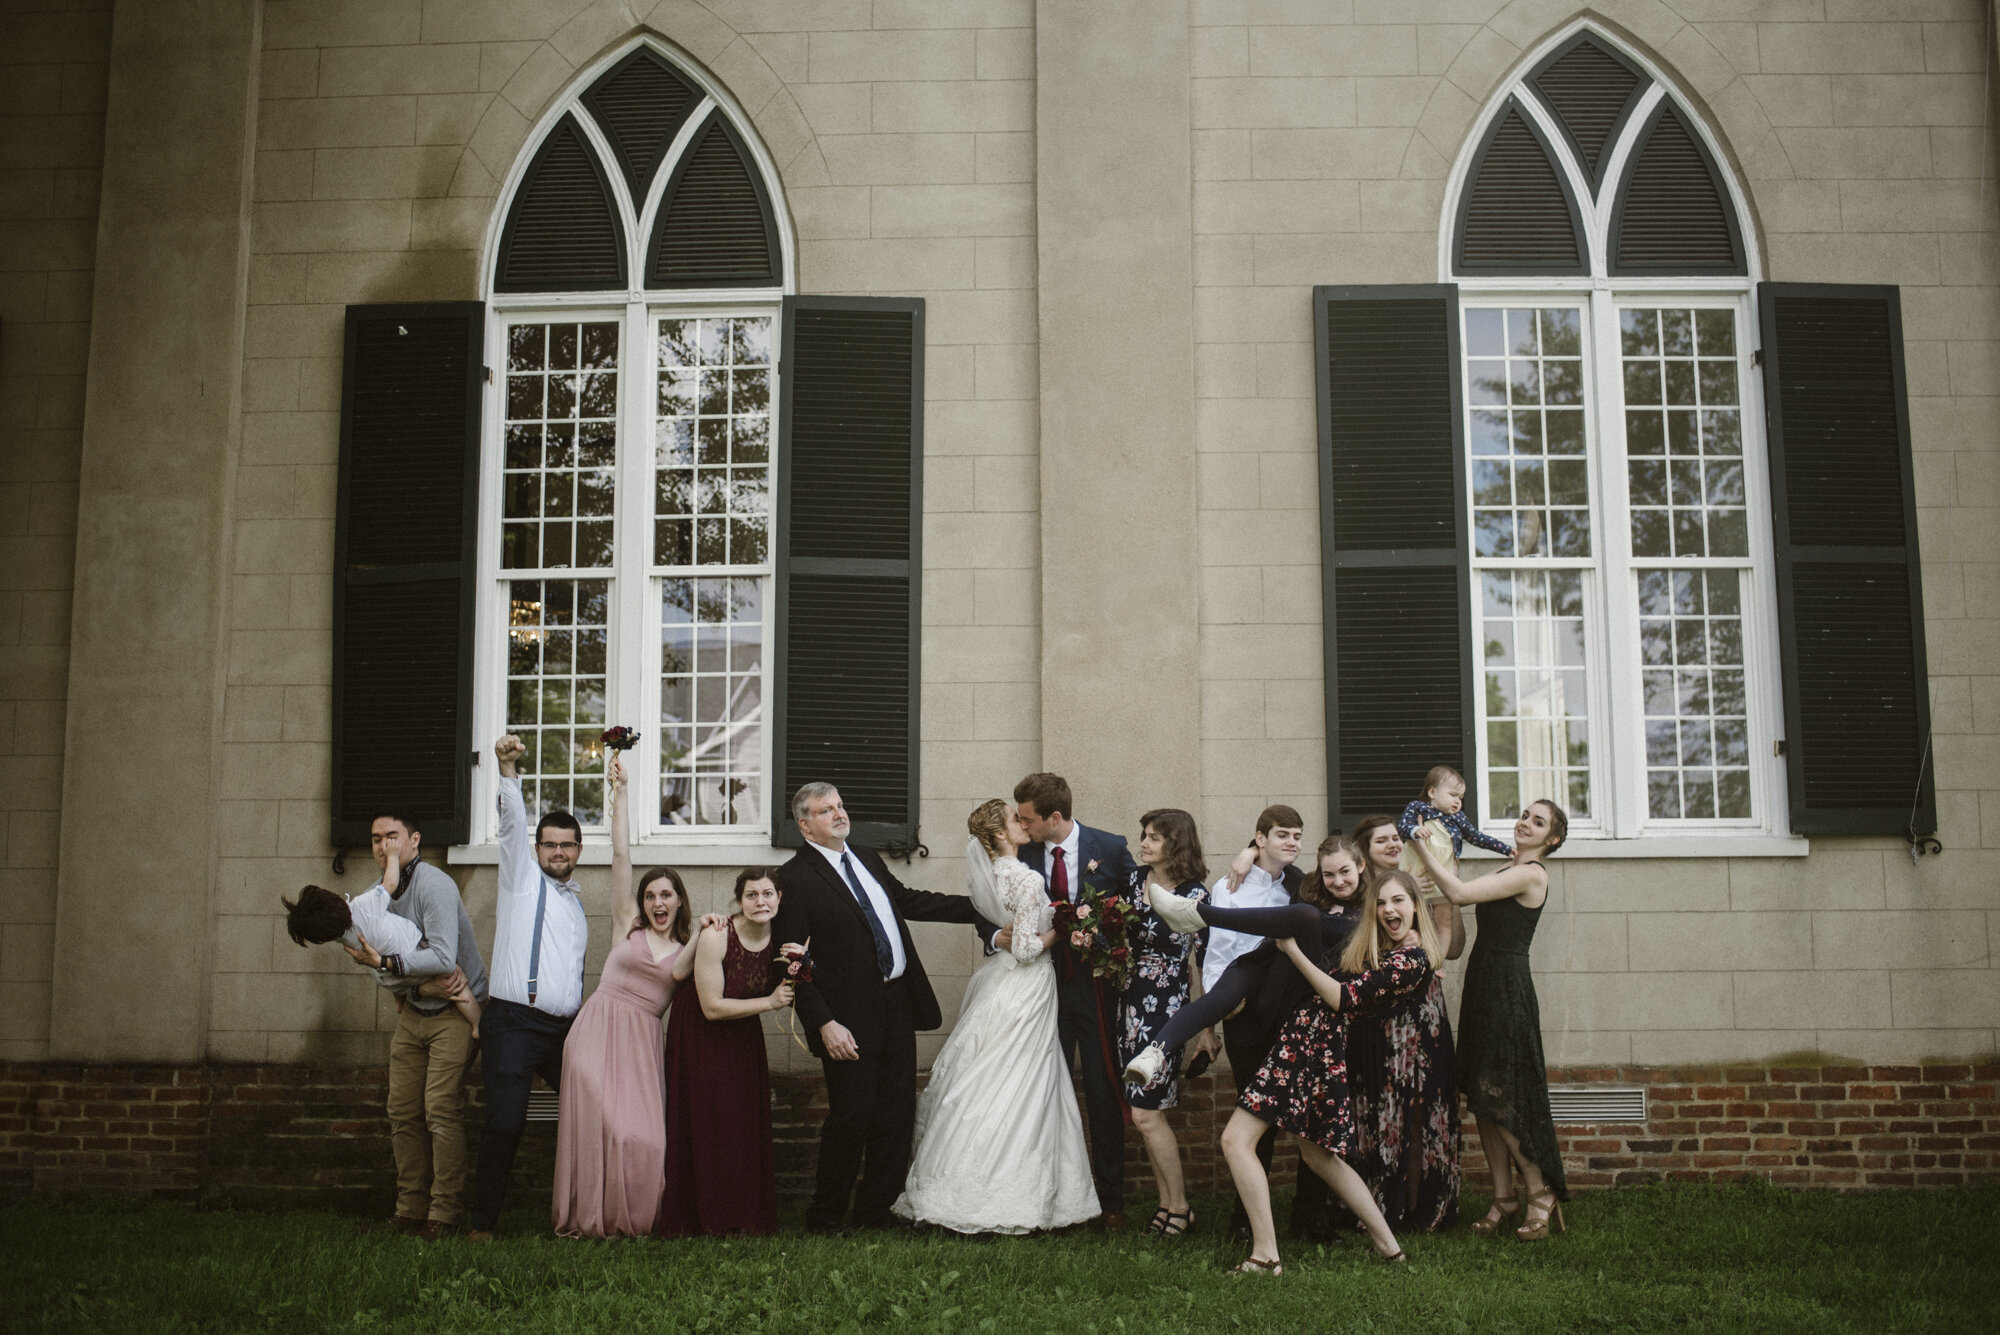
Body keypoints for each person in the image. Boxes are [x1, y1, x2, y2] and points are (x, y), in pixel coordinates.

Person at [1197, 871, 1440, 1274]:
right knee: (1318, 1155)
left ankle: (1265, 1254)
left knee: (1236, 1140)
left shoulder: (1412, 960)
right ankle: (1390, 1249)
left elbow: (1343, 998)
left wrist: (1293, 952)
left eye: (1398, 901)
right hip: (1315, 1045)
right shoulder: (1385, 947)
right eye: (1380, 903)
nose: (1388, 910)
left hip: (1307, 1047)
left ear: (1417, 906)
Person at [773, 783, 983, 1233]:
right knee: (852, 1117)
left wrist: (982, 910)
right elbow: (792, 962)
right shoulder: (793, 879)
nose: (839, 814)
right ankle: (826, 1216)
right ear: (805, 824)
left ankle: (877, 1211)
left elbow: (908, 901)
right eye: (826, 810)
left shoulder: (866, 857)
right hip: (846, 1016)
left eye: (840, 805)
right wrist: (825, 1023)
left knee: (895, 1113)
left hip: (896, 1002)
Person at [1138, 834, 1365, 1239]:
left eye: (1345, 871)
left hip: (1305, 1015)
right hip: (1264, 989)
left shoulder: (1371, 907)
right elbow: (1274, 845)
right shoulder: (1304, 885)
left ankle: (1201, 915)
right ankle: (1157, 1049)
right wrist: (1247, 851)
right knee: (1254, 1112)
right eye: (1329, 873)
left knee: (1309, 1131)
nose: (1337, 881)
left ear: (1361, 868)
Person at [892, 800, 1099, 1234]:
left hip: (1001, 982)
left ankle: (964, 1184)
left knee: (994, 1078)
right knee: (1024, 1081)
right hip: (1026, 985)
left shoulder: (991, 874)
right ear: (1001, 835)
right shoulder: (1023, 877)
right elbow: (1025, 949)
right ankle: (1007, 1194)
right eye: (1014, 820)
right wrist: (1065, 927)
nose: (1023, 824)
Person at [984, 772, 1141, 1231]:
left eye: (1029, 818)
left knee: (1101, 1090)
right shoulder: (1021, 852)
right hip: (1036, 990)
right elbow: (986, 909)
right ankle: (1041, 1199)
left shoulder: (1110, 848)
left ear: (1055, 817)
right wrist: (996, 936)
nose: (1022, 824)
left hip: (1094, 993)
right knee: (1037, 1092)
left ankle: (1109, 1200)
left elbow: (1134, 906)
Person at [1412, 798, 1571, 1241]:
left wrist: (1425, 848)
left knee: (1501, 1094)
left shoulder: (1531, 873)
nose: (1525, 824)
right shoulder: (1506, 869)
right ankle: (1503, 1196)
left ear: (1552, 839)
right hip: (1485, 978)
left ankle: (1539, 1190)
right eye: (1524, 816)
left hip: (1507, 984)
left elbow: (1458, 893)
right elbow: (1461, 900)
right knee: (1482, 1092)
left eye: (1538, 822)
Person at [551, 756, 696, 1238]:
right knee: (603, 1128)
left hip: (640, 1045)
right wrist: (621, 795)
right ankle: (590, 1217)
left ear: (678, 901)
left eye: (666, 895)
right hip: (595, 1033)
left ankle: (633, 1220)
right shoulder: (625, 926)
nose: (657, 902)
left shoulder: (687, 950)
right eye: (651, 895)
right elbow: (620, 856)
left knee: (644, 1139)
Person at [336, 811, 487, 1241]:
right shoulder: (372, 895)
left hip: (456, 1014)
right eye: (375, 839)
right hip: (413, 1012)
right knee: (402, 1112)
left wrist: (387, 966)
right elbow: (374, 969)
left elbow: (442, 959)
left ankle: (444, 1215)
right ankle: (408, 1211)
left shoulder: (434, 884)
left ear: (414, 840)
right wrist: (410, 987)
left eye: (393, 837)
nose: (384, 846)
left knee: (440, 1109)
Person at [467, 734, 590, 1240]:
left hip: (564, 1033)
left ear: (579, 850)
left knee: (592, 1113)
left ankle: (586, 1214)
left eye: (567, 845)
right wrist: (508, 769)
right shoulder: (521, 878)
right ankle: (481, 1226)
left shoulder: (575, 904)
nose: (558, 852)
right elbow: (512, 825)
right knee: (506, 1124)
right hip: (514, 1022)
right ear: (537, 849)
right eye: (550, 844)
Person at [659, 867, 796, 1236]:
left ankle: (743, 1214)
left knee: (742, 1121)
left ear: (779, 899)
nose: (760, 902)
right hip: (702, 1032)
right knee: (709, 1118)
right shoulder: (719, 935)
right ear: (739, 901)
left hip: (743, 1033)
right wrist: (769, 1002)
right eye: (751, 895)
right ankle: (703, 1215)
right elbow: (712, 1008)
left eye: (767, 894)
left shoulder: (781, 938)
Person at [1115, 809, 1209, 1238]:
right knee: (1144, 1115)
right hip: (1129, 1008)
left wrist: (1207, 1026)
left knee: (1147, 1113)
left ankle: (1181, 1208)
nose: (1145, 843)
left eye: (1154, 837)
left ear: (1176, 844)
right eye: (1144, 836)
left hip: (1168, 1012)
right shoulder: (1134, 881)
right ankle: (1168, 1203)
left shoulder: (1196, 895)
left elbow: (1207, 962)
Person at [283, 883, 483, 1035]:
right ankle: (477, 1024)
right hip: (415, 950)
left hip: (393, 970)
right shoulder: (364, 904)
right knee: (456, 982)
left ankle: (399, 1001)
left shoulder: (340, 937)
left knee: (385, 976)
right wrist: (393, 856)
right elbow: (390, 883)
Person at [1396, 765, 1513, 943]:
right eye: (1453, 795)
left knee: (1444, 920)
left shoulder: (1458, 818)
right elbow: (1402, 828)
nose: (1457, 801)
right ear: (1433, 792)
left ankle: (1438, 964)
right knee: (1414, 922)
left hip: (1443, 876)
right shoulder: (1417, 808)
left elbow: (1476, 837)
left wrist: (1505, 849)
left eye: (1461, 797)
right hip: (1416, 874)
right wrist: (1415, 831)